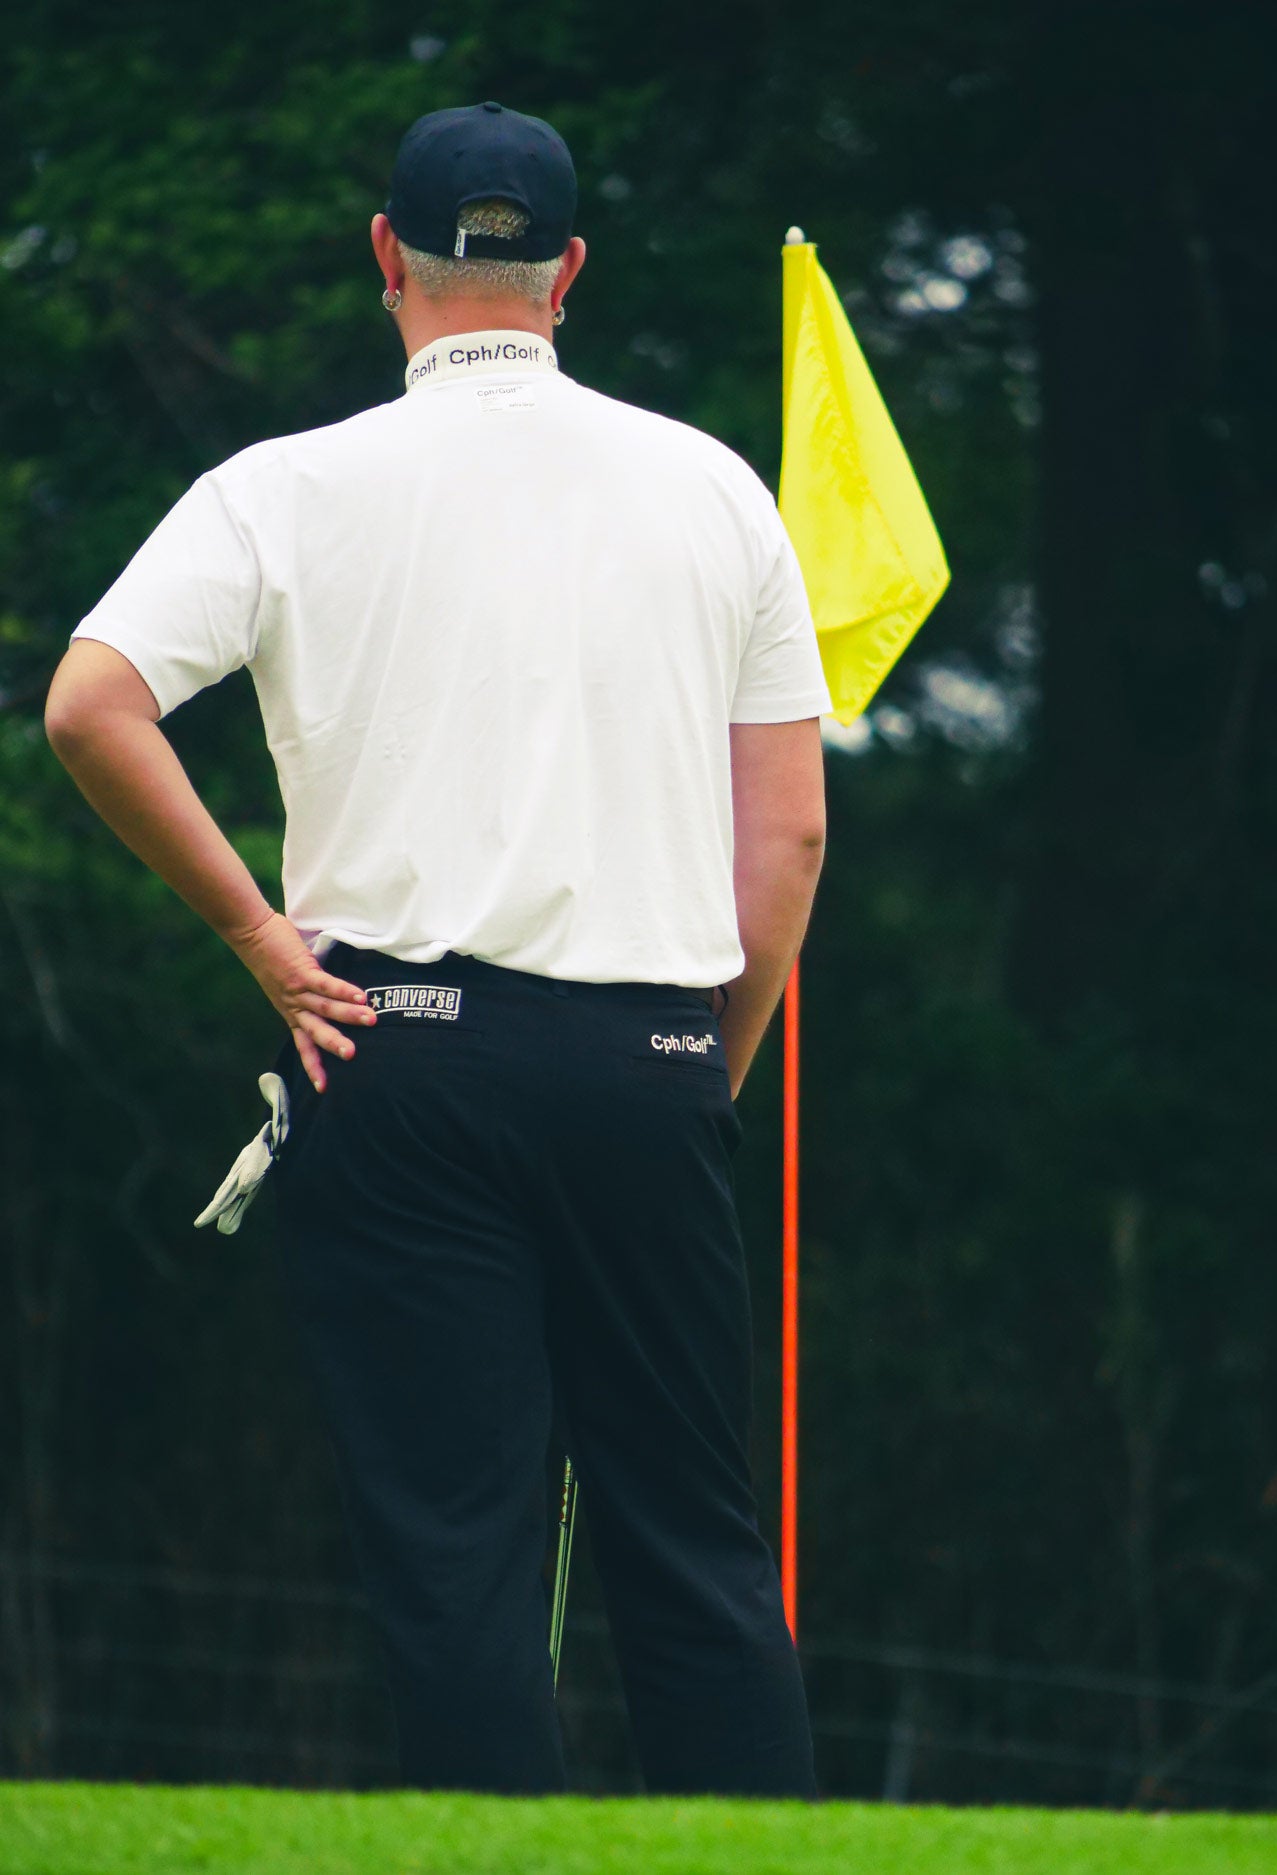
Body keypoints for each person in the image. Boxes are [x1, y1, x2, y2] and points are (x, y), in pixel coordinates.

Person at [44, 101, 830, 1798]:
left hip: (390, 1049)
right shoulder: (717, 488)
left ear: (387, 257)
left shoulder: (282, 486)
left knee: (456, 1561)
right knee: (694, 1554)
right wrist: (705, 1062)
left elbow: (89, 706)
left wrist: (260, 938)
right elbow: (791, 838)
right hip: (652, 1062)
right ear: (571, 275)